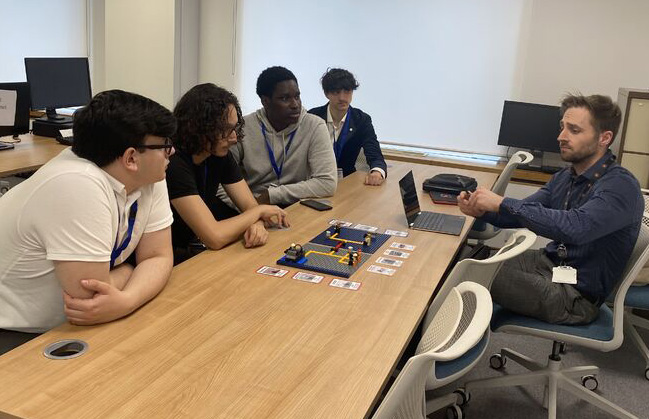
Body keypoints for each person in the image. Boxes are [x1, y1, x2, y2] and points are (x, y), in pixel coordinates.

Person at [0, 90, 177, 354]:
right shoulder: (76, 183)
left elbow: (159, 257)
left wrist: (127, 298)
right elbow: (89, 299)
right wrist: (129, 270)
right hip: (16, 332)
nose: (171, 152)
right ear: (131, 158)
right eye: (164, 145)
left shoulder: (149, 175)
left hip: (72, 325)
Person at [458, 93, 643, 325]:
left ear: (604, 138)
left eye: (574, 130)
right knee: (464, 259)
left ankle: (432, 353)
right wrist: (481, 210)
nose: (561, 137)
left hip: (573, 296)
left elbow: (576, 228)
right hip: (548, 263)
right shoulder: (566, 176)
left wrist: (502, 202)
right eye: (562, 127)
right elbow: (522, 214)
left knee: (464, 274)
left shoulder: (620, 186)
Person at [166, 83, 289, 263]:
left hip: (193, 248)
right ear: (198, 127)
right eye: (225, 130)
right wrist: (259, 212)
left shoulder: (217, 153)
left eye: (234, 128)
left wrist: (256, 222)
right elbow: (214, 237)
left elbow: (249, 205)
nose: (233, 138)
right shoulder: (174, 162)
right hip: (171, 256)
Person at [229, 66, 337, 206]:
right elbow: (221, 185)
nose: (295, 105)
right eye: (285, 98)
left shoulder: (314, 126)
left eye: (297, 96)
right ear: (265, 101)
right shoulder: (242, 128)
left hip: (296, 205)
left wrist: (272, 195)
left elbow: (327, 183)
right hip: (250, 205)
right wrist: (251, 210)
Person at [309, 68, 387, 185]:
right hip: (315, 180)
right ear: (326, 94)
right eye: (336, 92)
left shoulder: (361, 120)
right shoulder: (312, 117)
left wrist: (377, 171)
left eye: (347, 91)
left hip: (347, 181)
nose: (342, 98)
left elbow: (374, 152)